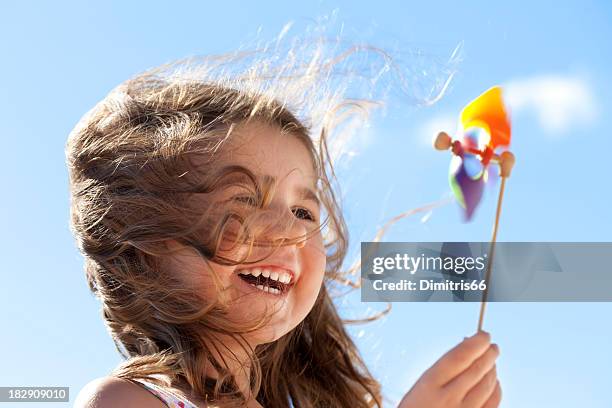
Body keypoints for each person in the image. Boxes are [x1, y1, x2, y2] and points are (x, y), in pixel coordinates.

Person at [67, 41, 501, 408]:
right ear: (146, 241)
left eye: (304, 212)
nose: (293, 231)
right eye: (247, 200)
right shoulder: (127, 399)